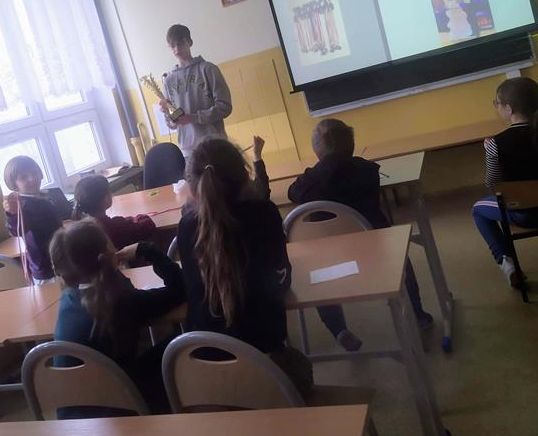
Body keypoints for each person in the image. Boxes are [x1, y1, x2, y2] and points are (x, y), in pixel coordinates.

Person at [176, 137, 312, 395]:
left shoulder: (186, 227)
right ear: (244, 176)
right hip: (264, 359)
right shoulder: (263, 213)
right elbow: (282, 281)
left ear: (192, 187)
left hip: (207, 368)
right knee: (299, 368)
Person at [287, 119, 434, 336]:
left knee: (315, 274)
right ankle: (418, 315)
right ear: (352, 144)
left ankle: (339, 330)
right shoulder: (367, 171)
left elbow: (292, 193)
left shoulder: (309, 182)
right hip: (375, 250)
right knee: (402, 259)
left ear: (317, 149)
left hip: (327, 258)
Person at [50, 219, 185, 415]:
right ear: (106, 254)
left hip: (73, 413)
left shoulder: (68, 298)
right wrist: (146, 250)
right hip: (119, 408)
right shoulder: (122, 301)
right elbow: (180, 288)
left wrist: (110, 266)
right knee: (180, 343)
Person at [472, 77, 538, 286]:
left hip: (525, 215)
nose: (497, 107)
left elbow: (494, 186)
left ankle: (508, 265)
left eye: (497, 103)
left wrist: (491, 152)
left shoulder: (495, 143)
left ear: (509, 109)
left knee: (478, 209)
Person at [162, 24, 232, 158]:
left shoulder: (208, 69)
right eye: (172, 46)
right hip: (188, 151)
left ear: (190, 42)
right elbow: (171, 123)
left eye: (180, 43)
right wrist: (170, 116)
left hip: (215, 145)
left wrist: (192, 118)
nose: (177, 49)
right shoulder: (168, 80)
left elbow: (225, 107)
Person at [2, 155, 63, 282]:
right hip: (46, 268)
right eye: (23, 177)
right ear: (14, 184)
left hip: (61, 259)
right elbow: (16, 230)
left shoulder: (44, 197)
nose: (32, 179)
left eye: (34, 173)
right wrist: (12, 214)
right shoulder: (21, 205)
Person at [72, 174, 156, 249]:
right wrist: (137, 217)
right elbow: (148, 225)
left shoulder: (79, 230)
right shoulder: (114, 226)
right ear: (106, 199)